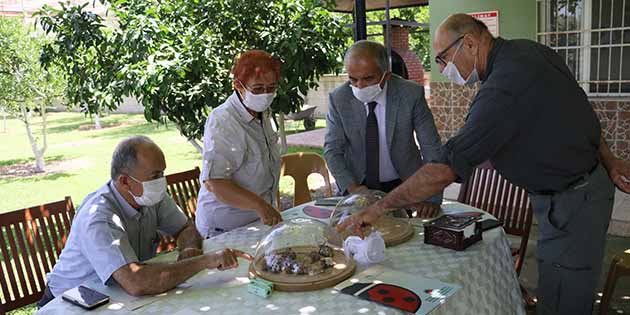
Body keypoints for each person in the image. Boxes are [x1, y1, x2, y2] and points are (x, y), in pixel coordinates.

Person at [338, 14, 630, 315]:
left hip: (574, 199)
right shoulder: (528, 51)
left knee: (566, 299)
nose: (442, 69)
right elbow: (579, 106)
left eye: (442, 58)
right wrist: (609, 158)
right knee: (555, 285)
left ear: (470, 44)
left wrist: (378, 207)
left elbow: (442, 169)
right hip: (568, 193)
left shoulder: (503, 88)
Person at [39, 136, 251, 308]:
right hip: (70, 303)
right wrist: (205, 261)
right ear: (124, 181)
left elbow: (185, 228)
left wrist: (189, 253)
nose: (162, 182)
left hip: (119, 296)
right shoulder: (99, 217)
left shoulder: (147, 195)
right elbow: (136, 282)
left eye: (163, 173)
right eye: (155, 175)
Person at [324, 40, 443, 217]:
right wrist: (353, 189)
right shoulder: (339, 98)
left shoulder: (410, 95)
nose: (359, 86)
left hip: (405, 186)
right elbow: (332, 151)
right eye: (353, 79)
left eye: (368, 78)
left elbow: (431, 148)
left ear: (386, 75)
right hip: (358, 187)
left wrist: (431, 197)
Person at [196, 50, 283, 238]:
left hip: (258, 221)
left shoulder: (263, 113)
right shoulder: (223, 121)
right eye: (258, 89)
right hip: (225, 227)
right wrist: (261, 206)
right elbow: (215, 182)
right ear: (238, 86)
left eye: (271, 87)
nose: (266, 94)